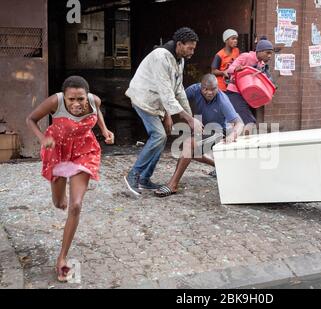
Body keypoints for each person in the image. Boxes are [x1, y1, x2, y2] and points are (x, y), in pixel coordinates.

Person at [26, 76, 114, 282]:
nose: (76, 104)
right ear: (64, 98)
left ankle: (62, 258)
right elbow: (30, 119)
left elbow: (97, 112)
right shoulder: (54, 101)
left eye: (80, 99)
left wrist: (103, 129)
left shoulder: (94, 101)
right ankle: (60, 196)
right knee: (59, 203)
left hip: (84, 151)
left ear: (87, 96)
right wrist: (42, 139)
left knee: (75, 205)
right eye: (71, 100)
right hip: (57, 150)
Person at [124, 27, 204, 196]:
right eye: (190, 48)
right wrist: (189, 120)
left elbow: (178, 89)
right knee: (159, 136)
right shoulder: (161, 57)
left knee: (161, 137)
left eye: (194, 48)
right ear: (180, 44)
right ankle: (133, 175)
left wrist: (190, 117)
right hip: (143, 99)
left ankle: (145, 179)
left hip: (157, 102)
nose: (192, 51)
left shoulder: (179, 59)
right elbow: (166, 94)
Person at [155, 74, 244, 198]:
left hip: (219, 131)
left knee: (188, 145)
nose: (209, 92)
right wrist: (168, 115)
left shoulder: (222, 100)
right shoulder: (194, 89)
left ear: (217, 87)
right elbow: (175, 101)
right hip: (203, 129)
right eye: (205, 89)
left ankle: (172, 185)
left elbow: (239, 123)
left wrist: (233, 135)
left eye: (213, 89)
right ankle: (219, 165)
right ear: (200, 87)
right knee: (188, 152)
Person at [226, 38, 274, 134]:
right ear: (259, 51)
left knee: (242, 122)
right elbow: (229, 69)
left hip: (246, 95)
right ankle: (244, 143)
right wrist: (236, 69)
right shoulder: (246, 56)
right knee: (249, 121)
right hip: (234, 93)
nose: (270, 56)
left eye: (271, 53)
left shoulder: (261, 64)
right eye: (267, 53)